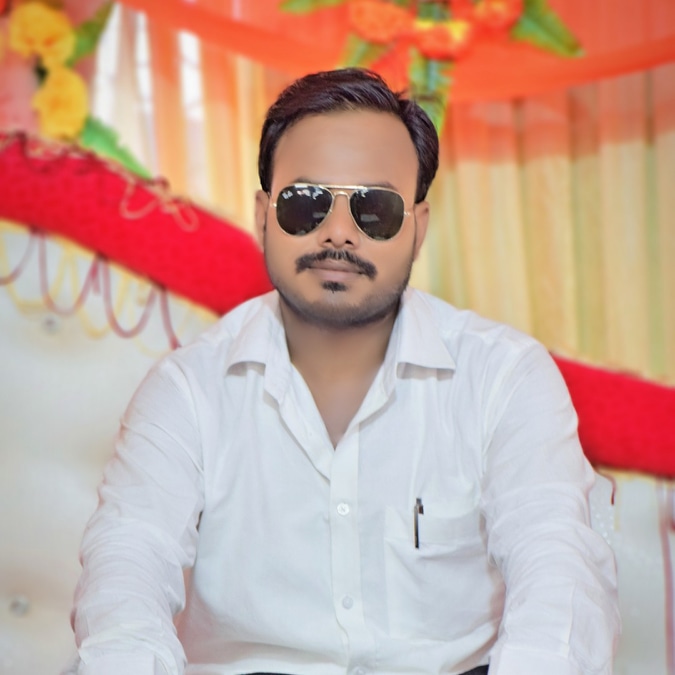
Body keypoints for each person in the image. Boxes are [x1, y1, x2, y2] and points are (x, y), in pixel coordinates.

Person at [67, 68, 620, 675]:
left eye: (374, 209)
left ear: (418, 227)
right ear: (263, 216)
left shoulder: (503, 377)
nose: (337, 233)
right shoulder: (188, 390)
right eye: (305, 204)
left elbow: (557, 566)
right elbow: (128, 563)